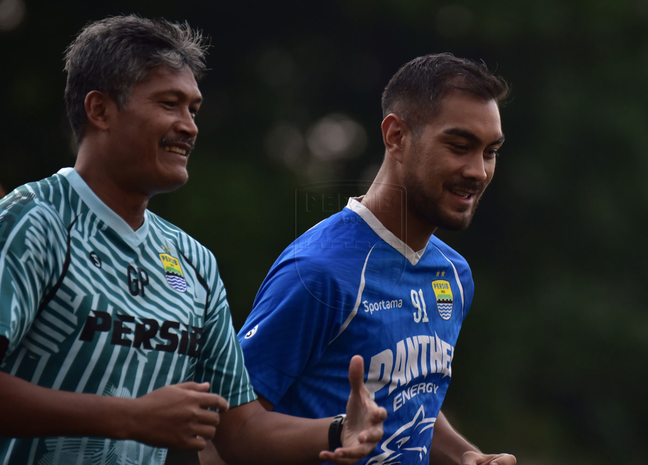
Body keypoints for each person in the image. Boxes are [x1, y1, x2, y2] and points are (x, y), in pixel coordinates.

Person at [0, 15, 386, 465]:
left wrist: (339, 430)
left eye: (193, 109)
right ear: (100, 110)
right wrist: (128, 417)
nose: (189, 126)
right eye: (169, 104)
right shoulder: (35, 220)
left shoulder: (192, 260)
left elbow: (240, 431)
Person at [238, 54, 517, 465]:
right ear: (396, 136)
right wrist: (335, 432)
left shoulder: (454, 275)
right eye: (459, 146)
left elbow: (409, 398)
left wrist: (467, 456)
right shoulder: (319, 272)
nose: (478, 171)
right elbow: (227, 433)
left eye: (489, 151)